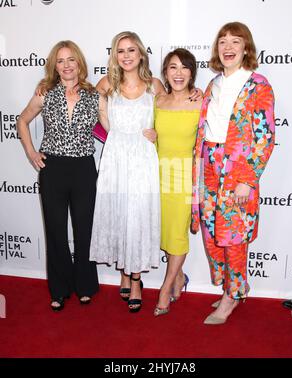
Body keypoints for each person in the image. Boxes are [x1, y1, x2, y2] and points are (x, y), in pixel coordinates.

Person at [191, 22, 275, 324]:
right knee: (215, 232)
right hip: (209, 165)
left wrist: (247, 180)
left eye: (235, 41)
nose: (228, 47)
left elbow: (265, 137)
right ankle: (230, 286)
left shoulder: (258, 84)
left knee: (235, 236)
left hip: (237, 170)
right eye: (223, 42)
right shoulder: (212, 84)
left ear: (246, 48)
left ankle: (234, 294)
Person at [17, 40, 101, 311]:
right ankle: (59, 288)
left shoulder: (94, 95)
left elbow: (113, 127)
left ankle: (85, 286)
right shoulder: (46, 92)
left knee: (84, 230)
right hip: (53, 169)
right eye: (61, 61)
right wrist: (32, 152)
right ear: (55, 65)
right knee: (55, 231)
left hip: (84, 169)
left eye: (71, 59)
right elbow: (22, 120)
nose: (66, 65)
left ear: (80, 63)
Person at [89, 31, 165, 313]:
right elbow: (92, 113)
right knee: (121, 214)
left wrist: (159, 133)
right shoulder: (107, 84)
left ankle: (135, 280)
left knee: (138, 215)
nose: (127, 56)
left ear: (141, 54)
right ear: (114, 55)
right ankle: (124, 270)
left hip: (144, 158)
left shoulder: (154, 85)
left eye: (132, 50)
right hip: (116, 158)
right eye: (121, 51)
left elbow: (173, 114)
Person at [153, 49, 202, 316]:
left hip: (185, 177)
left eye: (184, 67)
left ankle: (166, 287)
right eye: (173, 67)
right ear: (165, 73)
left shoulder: (201, 102)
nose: (179, 73)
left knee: (178, 234)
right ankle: (179, 277)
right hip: (157, 174)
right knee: (165, 231)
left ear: (192, 72)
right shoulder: (157, 101)